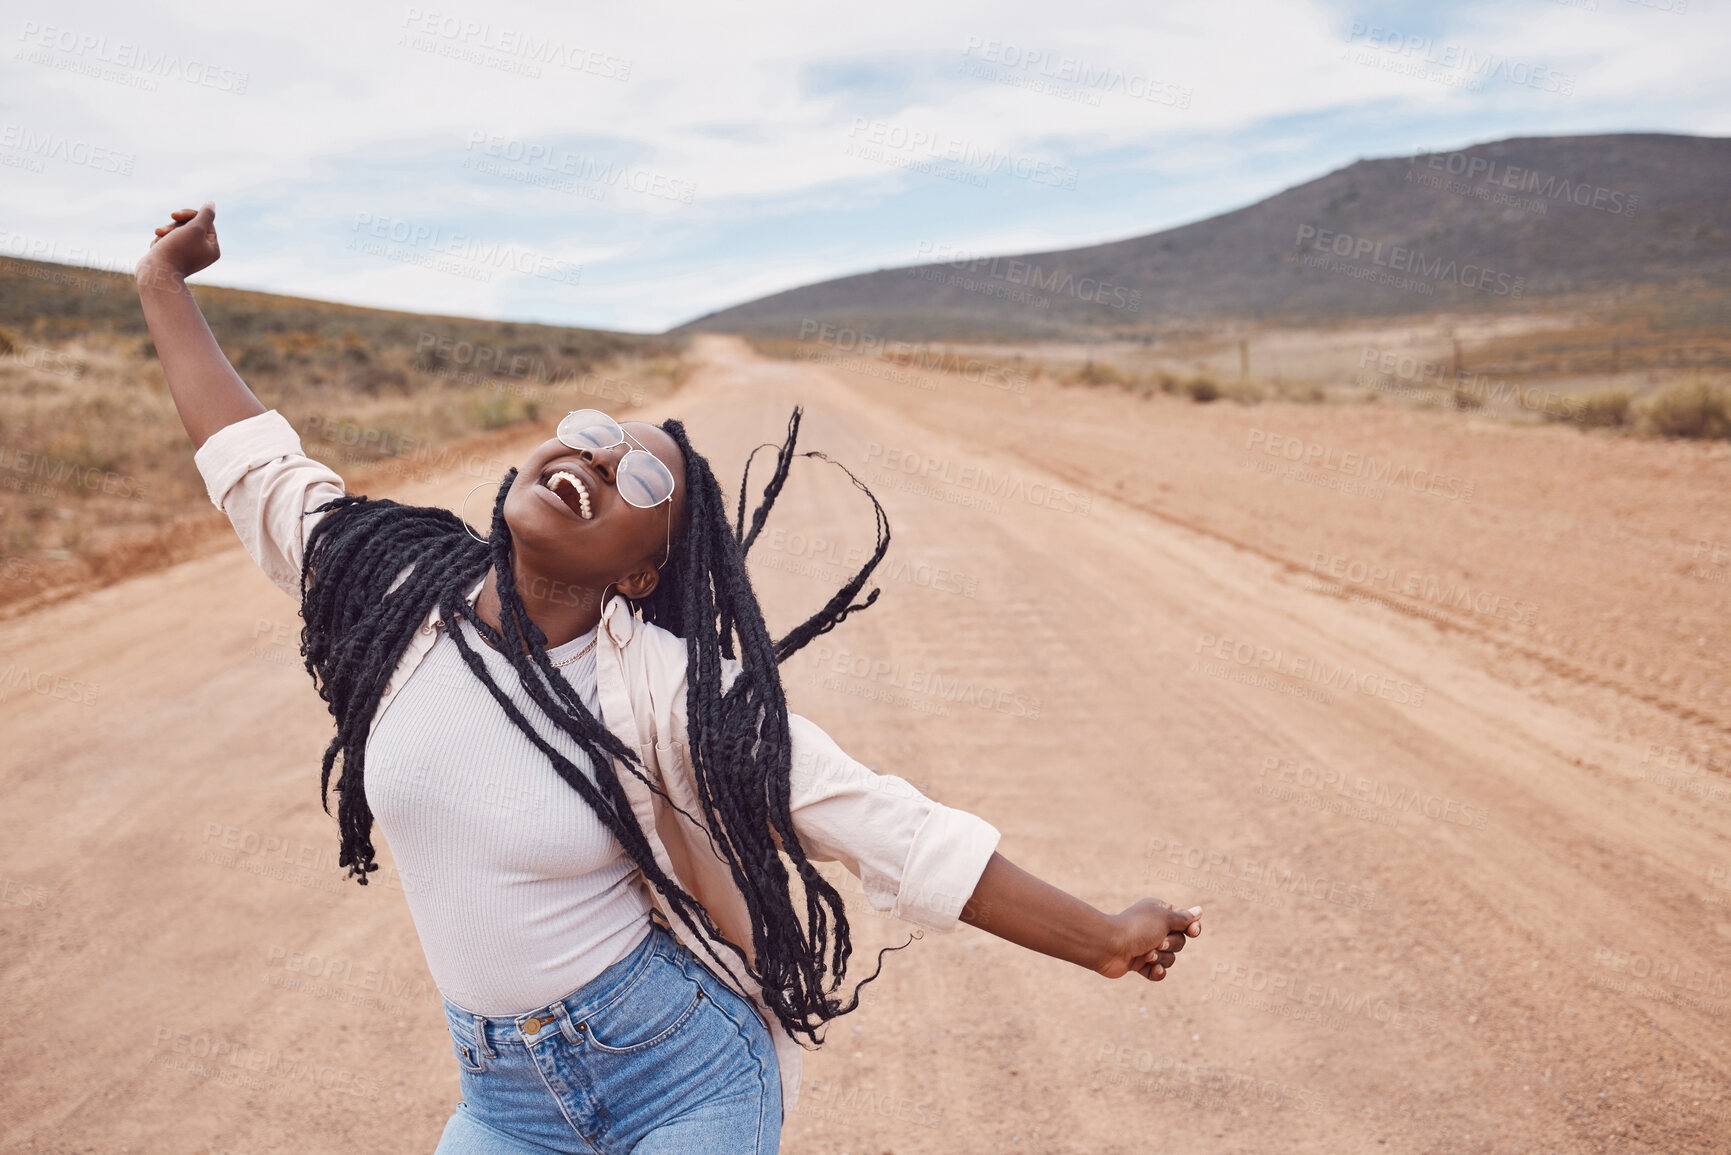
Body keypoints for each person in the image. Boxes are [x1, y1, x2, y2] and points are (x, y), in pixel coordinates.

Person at [136, 202, 1204, 1154]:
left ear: (645, 570)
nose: (596, 462)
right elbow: (257, 465)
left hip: (680, 1078)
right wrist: (162, 286)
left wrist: (1105, 939)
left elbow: (889, 827)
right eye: (592, 438)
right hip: (503, 1101)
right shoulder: (395, 592)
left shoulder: (676, 692)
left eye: (639, 474)